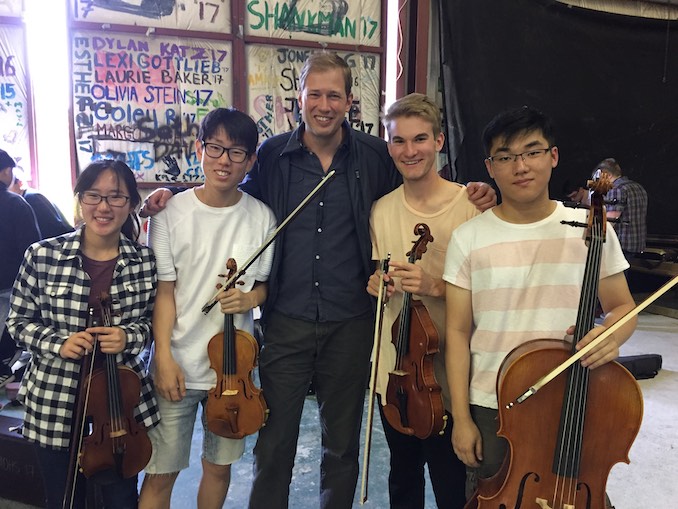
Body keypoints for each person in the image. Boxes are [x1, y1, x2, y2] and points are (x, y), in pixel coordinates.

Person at [141, 53, 495, 509]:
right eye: (315, 94)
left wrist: (472, 191)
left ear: (350, 100)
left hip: (351, 322)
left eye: (334, 95)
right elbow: (229, 192)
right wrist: (172, 194)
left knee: (342, 446)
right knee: (273, 447)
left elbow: (417, 184)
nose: (323, 104)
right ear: (300, 99)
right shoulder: (272, 155)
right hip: (286, 321)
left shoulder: (374, 154)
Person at [442, 106, 637, 504]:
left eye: (532, 151)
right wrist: (461, 419)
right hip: (493, 404)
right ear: (490, 167)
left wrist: (608, 334)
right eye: (506, 156)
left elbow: (622, 308)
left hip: (576, 395)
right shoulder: (468, 238)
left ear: (553, 156)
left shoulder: (591, 230)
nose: (521, 166)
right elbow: (458, 333)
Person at [138, 108, 276, 509]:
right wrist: (162, 356)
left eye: (236, 153)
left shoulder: (262, 217)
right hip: (177, 364)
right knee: (161, 471)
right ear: (199, 149)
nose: (224, 160)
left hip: (235, 373)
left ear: (251, 161)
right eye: (215, 147)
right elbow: (165, 291)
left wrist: (249, 298)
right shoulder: (169, 214)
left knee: (219, 468)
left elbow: (265, 286)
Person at [6, 160, 160, 508]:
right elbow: (17, 322)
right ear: (80, 199)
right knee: (63, 498)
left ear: (132, 204)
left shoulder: (144, 261)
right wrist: (58, 344)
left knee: (122, 498)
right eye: (94, 195)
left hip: (119, 406)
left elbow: (152, 326)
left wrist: (128, 337)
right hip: (56, 399)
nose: (104, 207)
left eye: (116, 197)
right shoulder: (42, 255)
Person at [366, 93, 481, 509]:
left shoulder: (471, 206)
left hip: (449, 368)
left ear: (439, 141)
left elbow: (488, 291)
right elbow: (379, 269)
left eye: (419, 139)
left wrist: (435, 286)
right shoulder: (381, 210)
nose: (409, 151)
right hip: (396, 369)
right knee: (403, 475)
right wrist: (377, 283)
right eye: (399, 141)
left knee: (451, 481)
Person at [0, 149, 41, 388]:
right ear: (6, 171)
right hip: (11, 284)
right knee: (11, 332)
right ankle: (4, 369)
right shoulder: (16, 203)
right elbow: (32, 249)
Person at [594, 157, 648, 259]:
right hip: (638, 244)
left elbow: (610, 221)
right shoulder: (639, 187)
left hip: (622, 245)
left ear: (608, 175)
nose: (599, 182)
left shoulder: (616, 189)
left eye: (600, 178)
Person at [9, 167, 74, 239]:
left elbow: (52, 229)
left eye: (7, 187)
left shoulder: (32, 198)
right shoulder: (27, 198)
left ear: (20, 183)